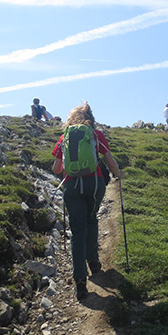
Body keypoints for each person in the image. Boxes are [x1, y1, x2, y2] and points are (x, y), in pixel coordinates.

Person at [51, 103, 121, 300]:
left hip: (72, 186)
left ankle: (80, 281)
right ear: (90, 117)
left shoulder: (64, 137)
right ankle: (94, 263)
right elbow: (109, 160)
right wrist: (118, 175)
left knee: (77, 230)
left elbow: (57, 169)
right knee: (91, 219)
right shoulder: (95, 134)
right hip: (94, 184)